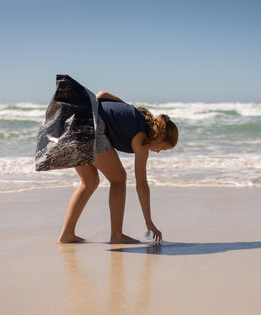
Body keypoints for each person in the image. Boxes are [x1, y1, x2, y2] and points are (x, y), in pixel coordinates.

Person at [57, 90, 178, 244]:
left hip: (73, 121)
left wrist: (101, 110)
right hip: (91, 126)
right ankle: (117, 235)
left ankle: (67, 234)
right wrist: (149, 222)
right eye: (162, 147)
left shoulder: (136, 115)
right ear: (160, 136)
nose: (159, 151)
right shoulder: (141, 139)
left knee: (89, 182)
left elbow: (102, 94)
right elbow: (142, 185)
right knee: (119, 179)